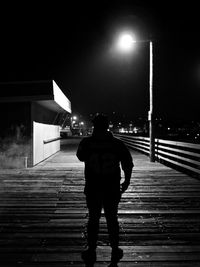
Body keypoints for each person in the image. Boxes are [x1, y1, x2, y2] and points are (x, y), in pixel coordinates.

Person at [76, 114, 134, 265]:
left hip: (93, 186)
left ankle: (91, 249)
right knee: (112, 218)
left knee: (93, 219)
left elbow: (80, 157)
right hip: (111, 187)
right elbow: (127, 163)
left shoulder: (87, 143)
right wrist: (126, 181)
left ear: (94, 126)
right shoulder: (117, 144)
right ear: (107, 126)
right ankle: (115, 249)